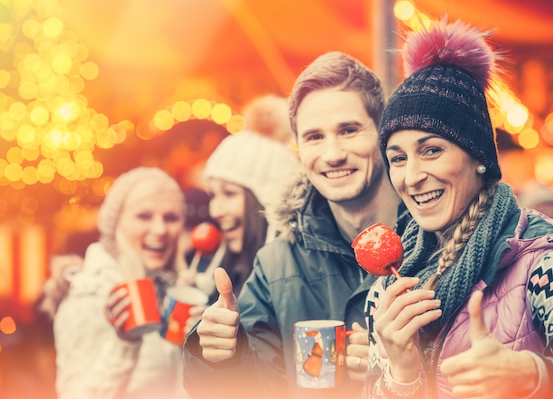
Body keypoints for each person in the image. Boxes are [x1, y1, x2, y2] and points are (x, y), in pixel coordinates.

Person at [364, 17, 553, 398]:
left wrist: (536, 377)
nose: (411, 176)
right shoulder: (387, 289)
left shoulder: (547, 262)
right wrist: (401, 375)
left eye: (431, 150)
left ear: (478, 156)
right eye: (397, 158)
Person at [183, 52, 404, 399]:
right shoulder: (277, 265)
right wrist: (219, 355)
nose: (332, 154)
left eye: (348, 130)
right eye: (314, 137)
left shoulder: (437, 237)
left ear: (382, 132)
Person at [51, 167, 192, 399]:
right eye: (144, 216)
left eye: (171, 218)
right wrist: (124, 345)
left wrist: (197, 347)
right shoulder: (88, 294)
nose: (160, 230)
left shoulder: (175, 289)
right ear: (115, 223)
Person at [178, 94, 303, 301]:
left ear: (268, 199)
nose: (214, 210)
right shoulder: (218, 271)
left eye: (229, 193)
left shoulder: (295, 279)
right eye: (213, 195)